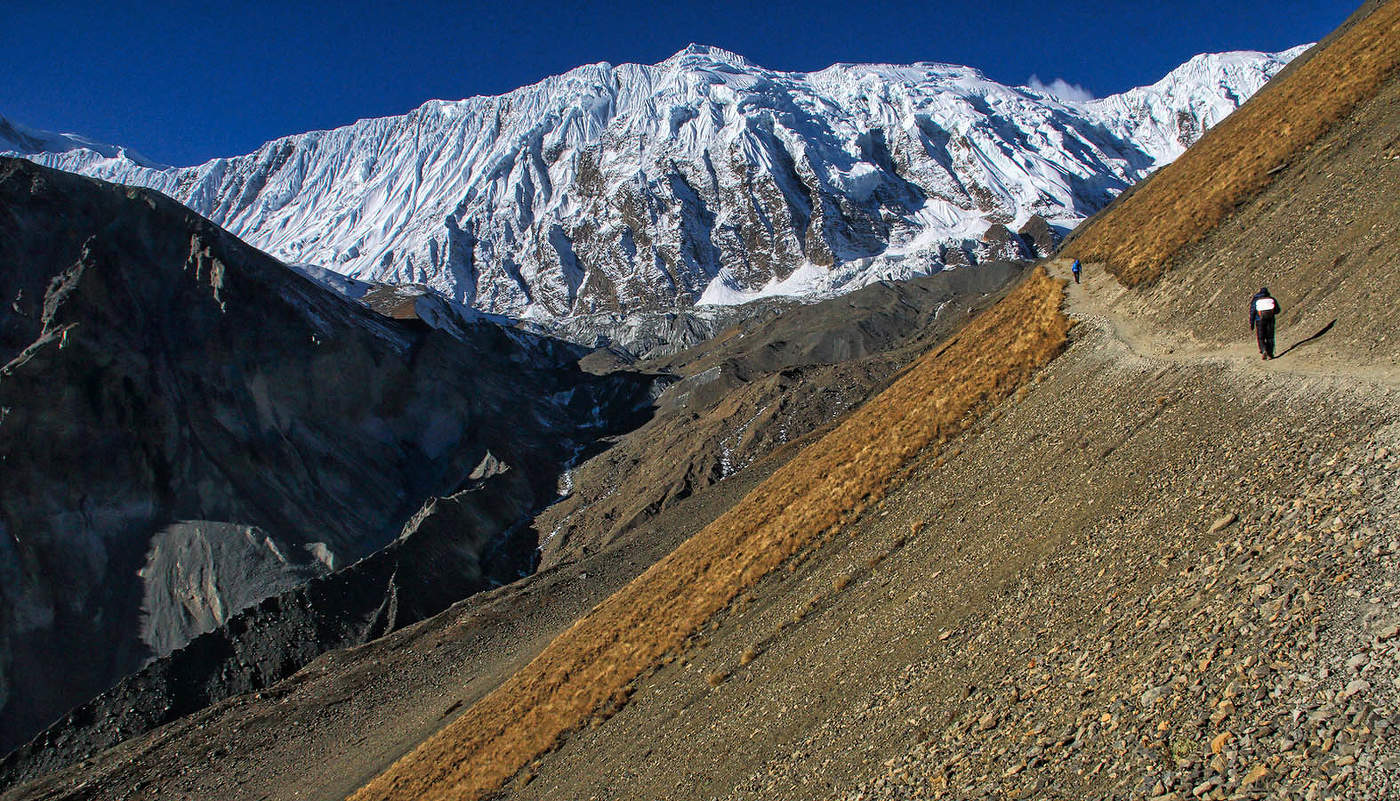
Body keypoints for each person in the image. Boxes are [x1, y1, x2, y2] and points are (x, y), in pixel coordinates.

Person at [1249, 287, 1280, 360]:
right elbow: (1278, 310)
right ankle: (1270, 353)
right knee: (1270, 337)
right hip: (1270, 320)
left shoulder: (1256, 300)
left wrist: (1251, 323)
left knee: (1261, 337)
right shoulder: (1271, 299)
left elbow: (1252, 311)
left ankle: (1263, 350)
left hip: (1259, 320)